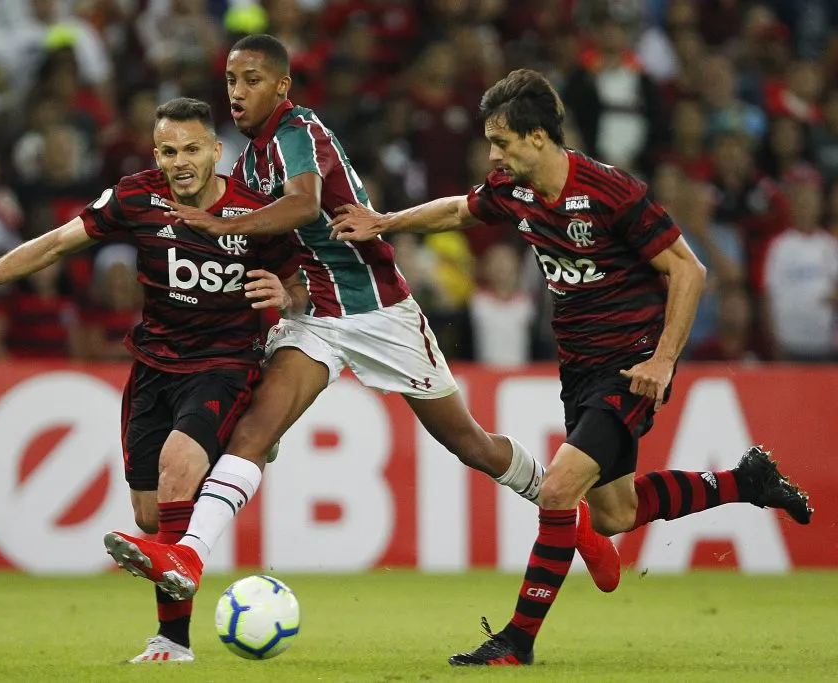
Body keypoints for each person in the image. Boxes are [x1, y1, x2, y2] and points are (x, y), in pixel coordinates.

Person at [101, 35, 621, 612]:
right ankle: (189, 554)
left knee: (467, 442)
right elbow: (289, 250)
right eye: (231, 81)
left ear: (281, 86)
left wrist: (221, 229)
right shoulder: (248, 163)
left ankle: (573, 519)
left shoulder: (297, 131)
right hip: (317, 315)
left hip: (376, 310)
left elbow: (304, 206)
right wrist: (286, 288)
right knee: (253, 432)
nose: (239, 92)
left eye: (252, 80)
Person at [329, 69, 814, 667]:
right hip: (580, 369)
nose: (493, 154)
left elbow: (689, 270)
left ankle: (517, 640)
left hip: (630, 366)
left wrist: (662, 362)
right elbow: (458, 211)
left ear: (538, 138)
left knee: (558, 489)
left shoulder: (612, 193)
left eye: (502, 141)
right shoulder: (518, 190)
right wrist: (385, 223)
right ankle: (745, 482)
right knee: (615, 513)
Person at [0, 97, 305, 664]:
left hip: (224, 362)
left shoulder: (255, 212)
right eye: (169, 150)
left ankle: (172, 642)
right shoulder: (136, 196)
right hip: (155, 367)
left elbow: (303, 285)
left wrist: (286, 297)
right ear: (155, 152)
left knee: (177, 466)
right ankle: (240, 459)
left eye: (193, 149)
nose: (181, 161)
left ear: (217, 151)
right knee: (150, 515)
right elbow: (55, 243)